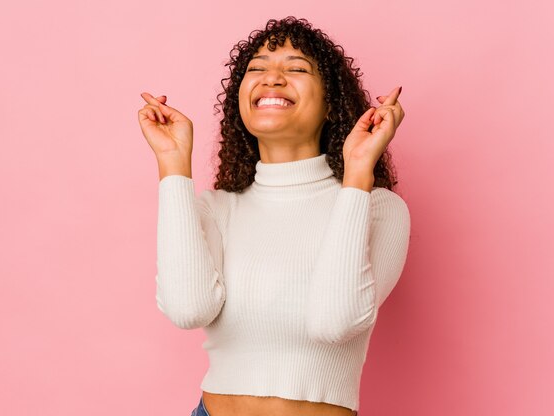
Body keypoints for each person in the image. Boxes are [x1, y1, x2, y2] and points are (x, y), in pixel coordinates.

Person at [138, 16, 410, 416]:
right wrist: (173, 165)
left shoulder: (378, 208)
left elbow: (334, 322)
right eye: (257, 68)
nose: (272, 78)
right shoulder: (216, 208)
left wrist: (357, 172)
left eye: (296, 68)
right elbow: (187, 308)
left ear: (332, 103)